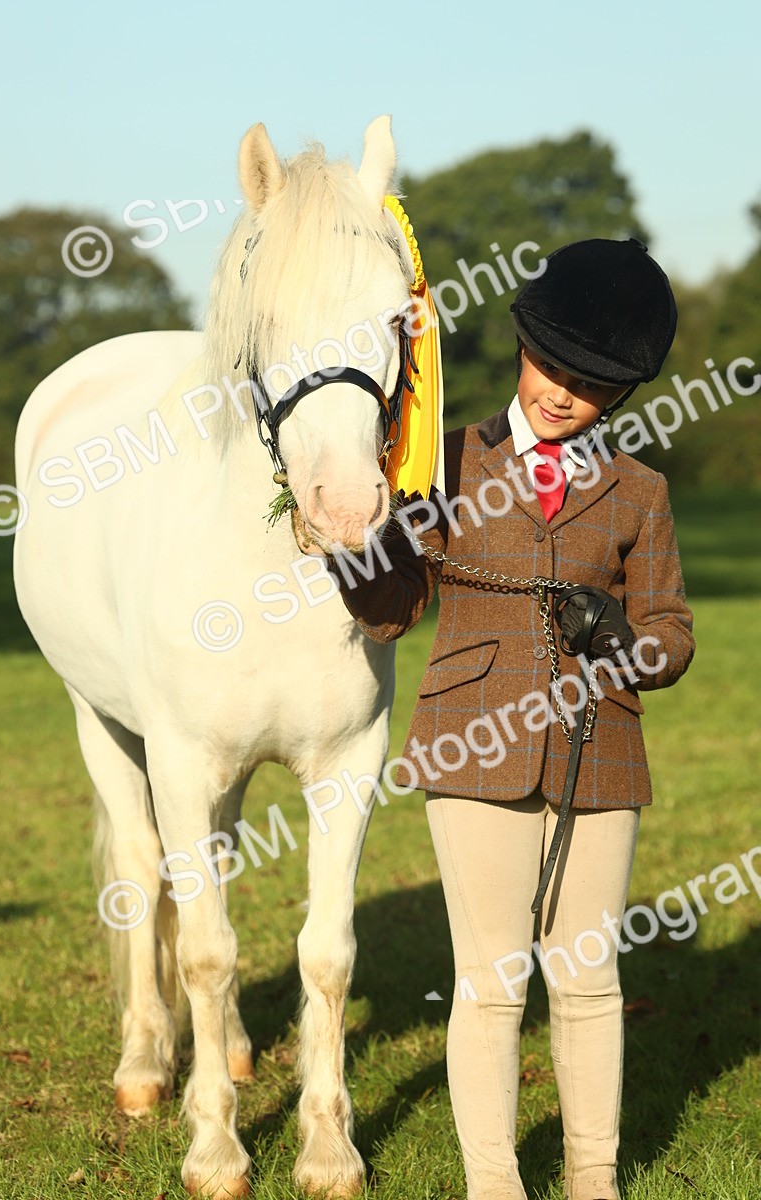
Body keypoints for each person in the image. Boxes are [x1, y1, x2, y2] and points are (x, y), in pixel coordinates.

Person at [333, 238, 695, 1200]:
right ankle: (494, 1184)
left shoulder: (641, 493)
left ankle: (594, 1179)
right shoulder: (442, 462)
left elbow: (673, 638)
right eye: (553, 366)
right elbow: (394, 607)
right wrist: (352, 547)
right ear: (522, 346)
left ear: (620, 393)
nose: (564, 393)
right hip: (472, 747)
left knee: (588, 981)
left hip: (600, 750)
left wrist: (622, 636)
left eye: (593, 382)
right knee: (491, 983)